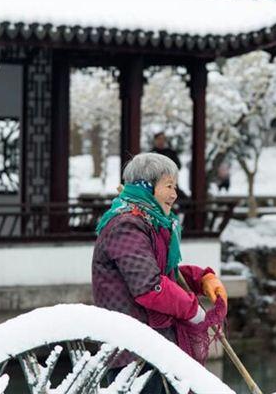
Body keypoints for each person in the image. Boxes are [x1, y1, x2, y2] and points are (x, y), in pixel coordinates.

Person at [91, 152, 227, 393]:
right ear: (146, 186)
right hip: (134, 356)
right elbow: (149, 287)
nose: (174, 195)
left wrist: (201, 278)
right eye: (169, 186)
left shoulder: (150, 223)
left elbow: (163, 271)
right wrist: (192, 308)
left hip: (154, 348)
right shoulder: (126, 225)